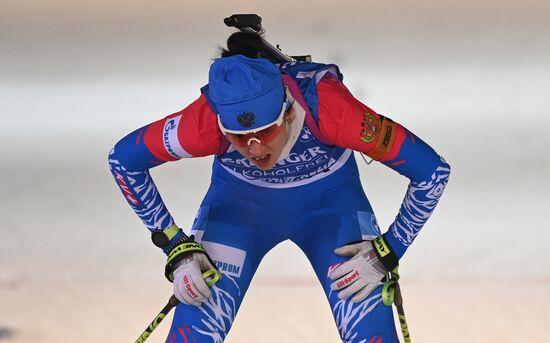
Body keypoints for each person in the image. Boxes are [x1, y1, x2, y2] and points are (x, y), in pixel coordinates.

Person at [108, 31, 450, 343]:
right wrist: (175, 246)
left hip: (330, 213)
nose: (254, 148)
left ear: (288, 112)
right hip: (240, 214)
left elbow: (432, 172)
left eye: (265, 132)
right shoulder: (205, 122)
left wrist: (387, 251)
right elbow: (123, 161)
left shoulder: (331, 110)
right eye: (239, 138)